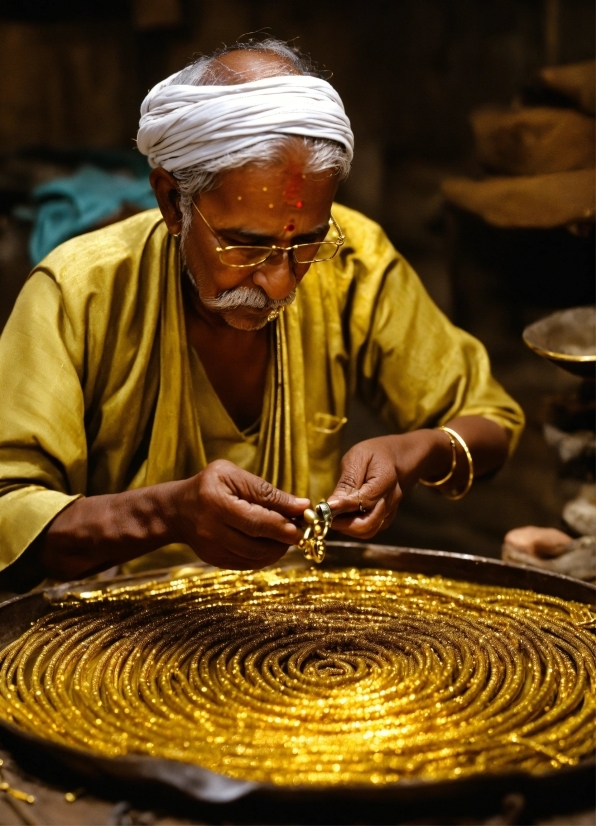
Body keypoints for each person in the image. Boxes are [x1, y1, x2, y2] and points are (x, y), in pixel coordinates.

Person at [0, 39, 524, 590]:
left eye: (305, 246)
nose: (278, 282)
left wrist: (413, 452)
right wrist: (164, 515)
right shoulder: (80, 290)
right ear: (172, 202)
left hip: (297, 620)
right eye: (245, 246)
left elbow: (491, 424)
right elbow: (9, 512)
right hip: (118, 625)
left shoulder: (354, 262)